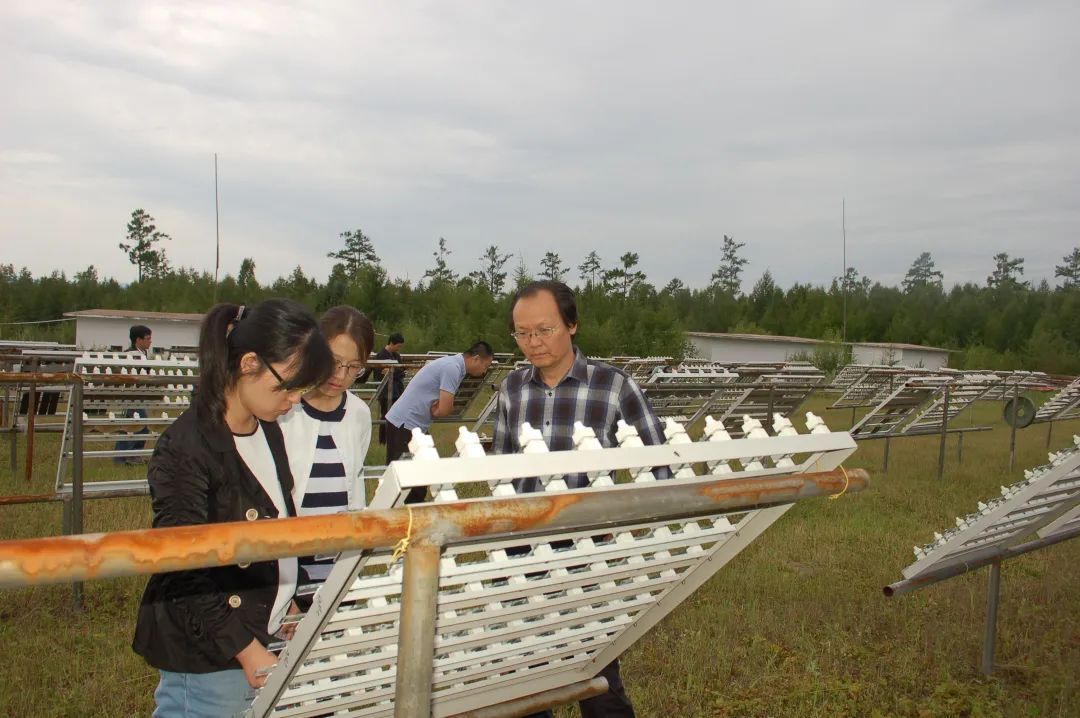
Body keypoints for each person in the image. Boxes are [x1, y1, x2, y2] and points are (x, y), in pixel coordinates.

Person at [132, 299, 334, 718]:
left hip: (261, 635)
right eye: (286, 386)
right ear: (248, 364)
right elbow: (181, 566)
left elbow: (276, 526)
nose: (294, 401)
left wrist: (287, 601)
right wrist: (244, 650)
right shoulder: (186, 447)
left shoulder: (268, 430)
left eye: (302, 389)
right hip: (213, 657)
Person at [493, 280, 669, 718]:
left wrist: (630, 528)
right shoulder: (512, 390)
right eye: (522, 333)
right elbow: (498, 472)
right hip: (524, 554)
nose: (532, 343)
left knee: (599, 679)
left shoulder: (613, 386)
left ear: (572, 325)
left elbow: (658, 464)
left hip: (589, 556)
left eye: (544, 330)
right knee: (524, 683)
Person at [279, 306, 374, 589]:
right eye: (333, 361)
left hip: (340, 563)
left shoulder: (358, 413)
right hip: (285, 561)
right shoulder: (284, 409)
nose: (341, 375)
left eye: (353, 367)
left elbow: (355, 481)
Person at [384, 341, 495, 501]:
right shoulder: (453, 368)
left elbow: (442, 406)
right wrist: (440, 408)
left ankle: (413, 513)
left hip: (414, 425)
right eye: (485, 366)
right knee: (403, 478)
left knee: (420, 477)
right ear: (476, 359)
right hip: (405, 423)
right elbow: (444, 409)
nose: (484, 371)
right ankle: (402, 517)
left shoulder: (454, 365)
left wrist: (440, 407)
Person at [114, 324, 153, 462]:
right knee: (141, 426)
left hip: (135, 396)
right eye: (147, 338)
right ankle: (132, 455)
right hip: (131, 396)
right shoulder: (132, 355)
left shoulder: (142, 354)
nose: (150, 341)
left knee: (127, 426)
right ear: (138, 340)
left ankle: (120, 457)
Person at [360, 332, 405, 445]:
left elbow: (402, 373)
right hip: (385, 391)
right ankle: (383, 440)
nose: (399, 348)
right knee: (386, 415)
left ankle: (393, 439)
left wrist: (392, 371)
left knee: (396, 416)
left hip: (398, 390)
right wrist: (394, 372)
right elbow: (379, 375)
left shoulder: (396, 356)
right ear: (391, 343)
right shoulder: (380, 356)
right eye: (398, 346)